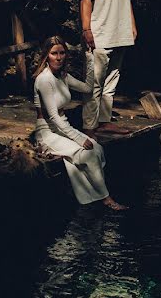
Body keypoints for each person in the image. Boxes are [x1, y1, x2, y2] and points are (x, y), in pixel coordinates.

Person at [32, 36, 127, 210]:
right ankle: (106, 199)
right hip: (48, 133)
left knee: (97, 148)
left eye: (62, 53)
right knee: (88, 154)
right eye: (54, 53)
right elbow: (53, 117)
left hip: (63, 128)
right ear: (47, 55)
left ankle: (90, 195)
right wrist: (78, 138)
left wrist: (90, 60)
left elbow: (88, 89)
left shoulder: (63, 76)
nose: (59, 57)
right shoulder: (44, 80)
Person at [77, 0, 137, 138]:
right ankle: (89, 126)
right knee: (94, 81)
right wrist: (86, 29)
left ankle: (104, 121)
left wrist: (131, 24)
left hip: (119, 30)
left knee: (111, 80)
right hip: (99, 31)